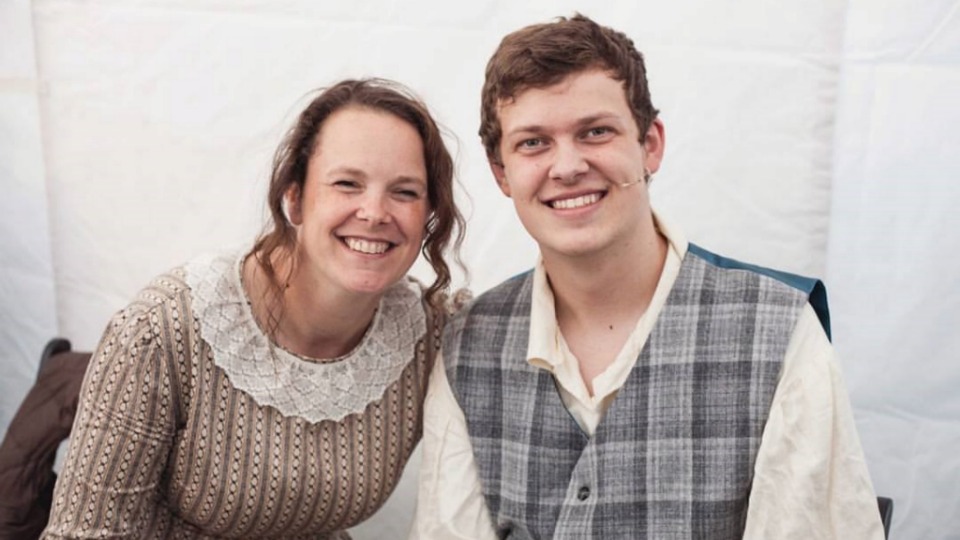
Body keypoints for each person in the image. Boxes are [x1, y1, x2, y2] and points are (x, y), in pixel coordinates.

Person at [411, 14, 884, 540]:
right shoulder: (468, 342)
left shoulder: (778, 328)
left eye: (596, 132)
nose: (566, 166)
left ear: (650, 144)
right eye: (533, 143)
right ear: (501, 171)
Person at [41, 78, 464, 539]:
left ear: (428, 215)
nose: (375, 211)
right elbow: (83, 532)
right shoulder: (165, 328)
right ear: (295, 198)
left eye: (404, 192)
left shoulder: (429, 334)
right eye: (347, 183)